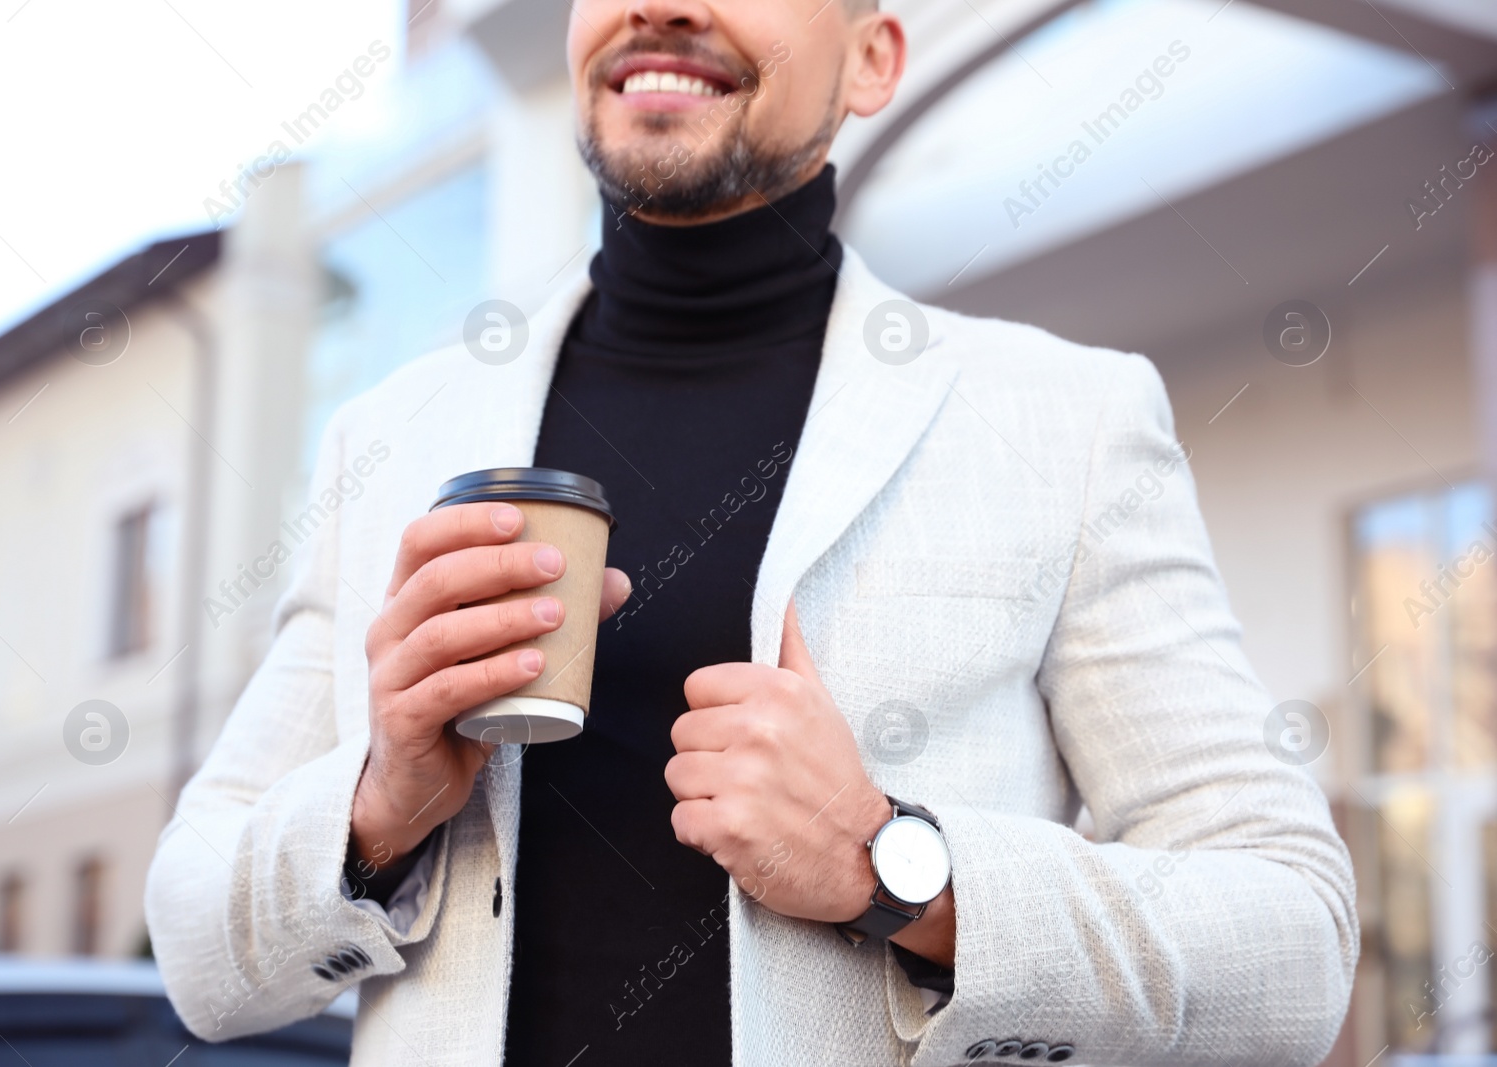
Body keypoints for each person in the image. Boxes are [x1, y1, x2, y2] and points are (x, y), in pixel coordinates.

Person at [145, 1, 1359, 1064]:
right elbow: (199, 950)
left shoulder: (1064, 423)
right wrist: (377, 806)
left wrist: (895, 867)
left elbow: (1292, 939)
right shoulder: (391, 437)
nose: (658, 8)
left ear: (873, 60)